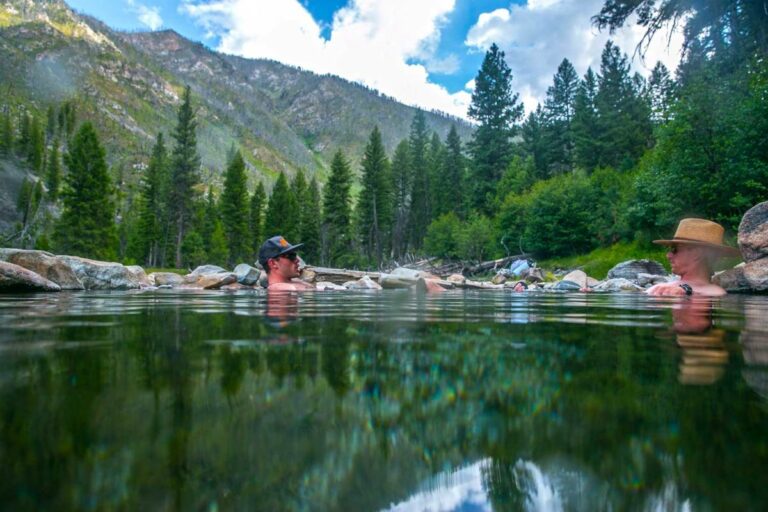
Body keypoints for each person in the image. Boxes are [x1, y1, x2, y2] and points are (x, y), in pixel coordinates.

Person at [646, 218, 740, 297]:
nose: (668, 255)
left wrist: (687, 291)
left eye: (675, 250)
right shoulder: (715, 292)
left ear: (696, 253)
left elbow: (713, 293)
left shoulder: (715, 291)